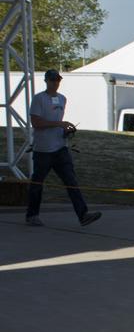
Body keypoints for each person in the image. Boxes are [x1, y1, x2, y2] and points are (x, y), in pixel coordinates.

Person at [25, 69, 101, 228]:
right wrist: (59, 124)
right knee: (37, 183)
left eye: (58, 80)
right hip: (43, 150)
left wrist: (65, 131)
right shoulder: (39, 99)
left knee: (71, 181)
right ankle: (32, 215)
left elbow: (57, 122)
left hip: (60, 148)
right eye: (53, 80)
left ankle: (83, 215)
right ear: (46, 81)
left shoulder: (62, 99)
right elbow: (37, 123)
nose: (56, 83)